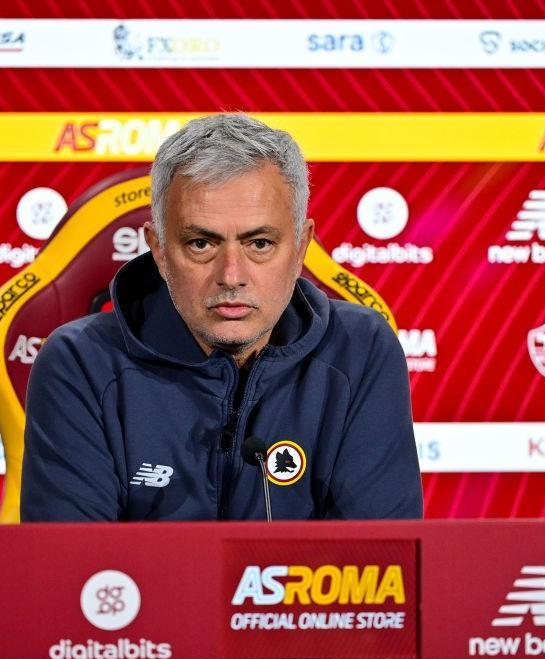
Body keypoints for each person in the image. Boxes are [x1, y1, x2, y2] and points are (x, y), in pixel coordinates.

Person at [21, 113, 422, 521]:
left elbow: (379, 570)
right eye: (201, 244)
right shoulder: (79, 363)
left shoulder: (361, 351)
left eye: (260, 243)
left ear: (301, 247)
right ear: (158, 250)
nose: (231, 276)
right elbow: (76, 575)